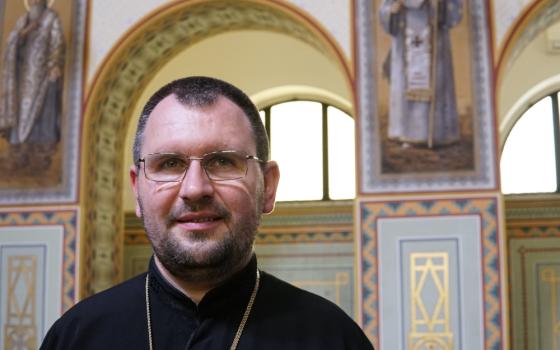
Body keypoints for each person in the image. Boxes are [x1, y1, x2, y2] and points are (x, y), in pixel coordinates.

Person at [39, 76, 375, 349]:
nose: (195, 188)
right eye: (169, 164)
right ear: (137, 189)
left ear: (268, 188)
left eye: (223, 161)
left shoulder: (333, 338)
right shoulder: (76, 338)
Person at [379, 0, 462, 148]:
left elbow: (454, 8)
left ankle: (438, 135)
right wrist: (392, 10)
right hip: (405, 36)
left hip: (434, 38)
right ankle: (407, 134)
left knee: (437, 82)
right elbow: (385, 10)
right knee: (406, 83)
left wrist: (441, 5)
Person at [0, 0, 64, 146]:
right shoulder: (23, 20)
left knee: (42, 102)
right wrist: (26, 31)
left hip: (43, 72)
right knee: (20, 106)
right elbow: (12, 43)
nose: (34, 1)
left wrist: (55, 64)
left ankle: (40, 143)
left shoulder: (51, 18)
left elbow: (58, 42)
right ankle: (17, 142)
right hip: (22, 72)